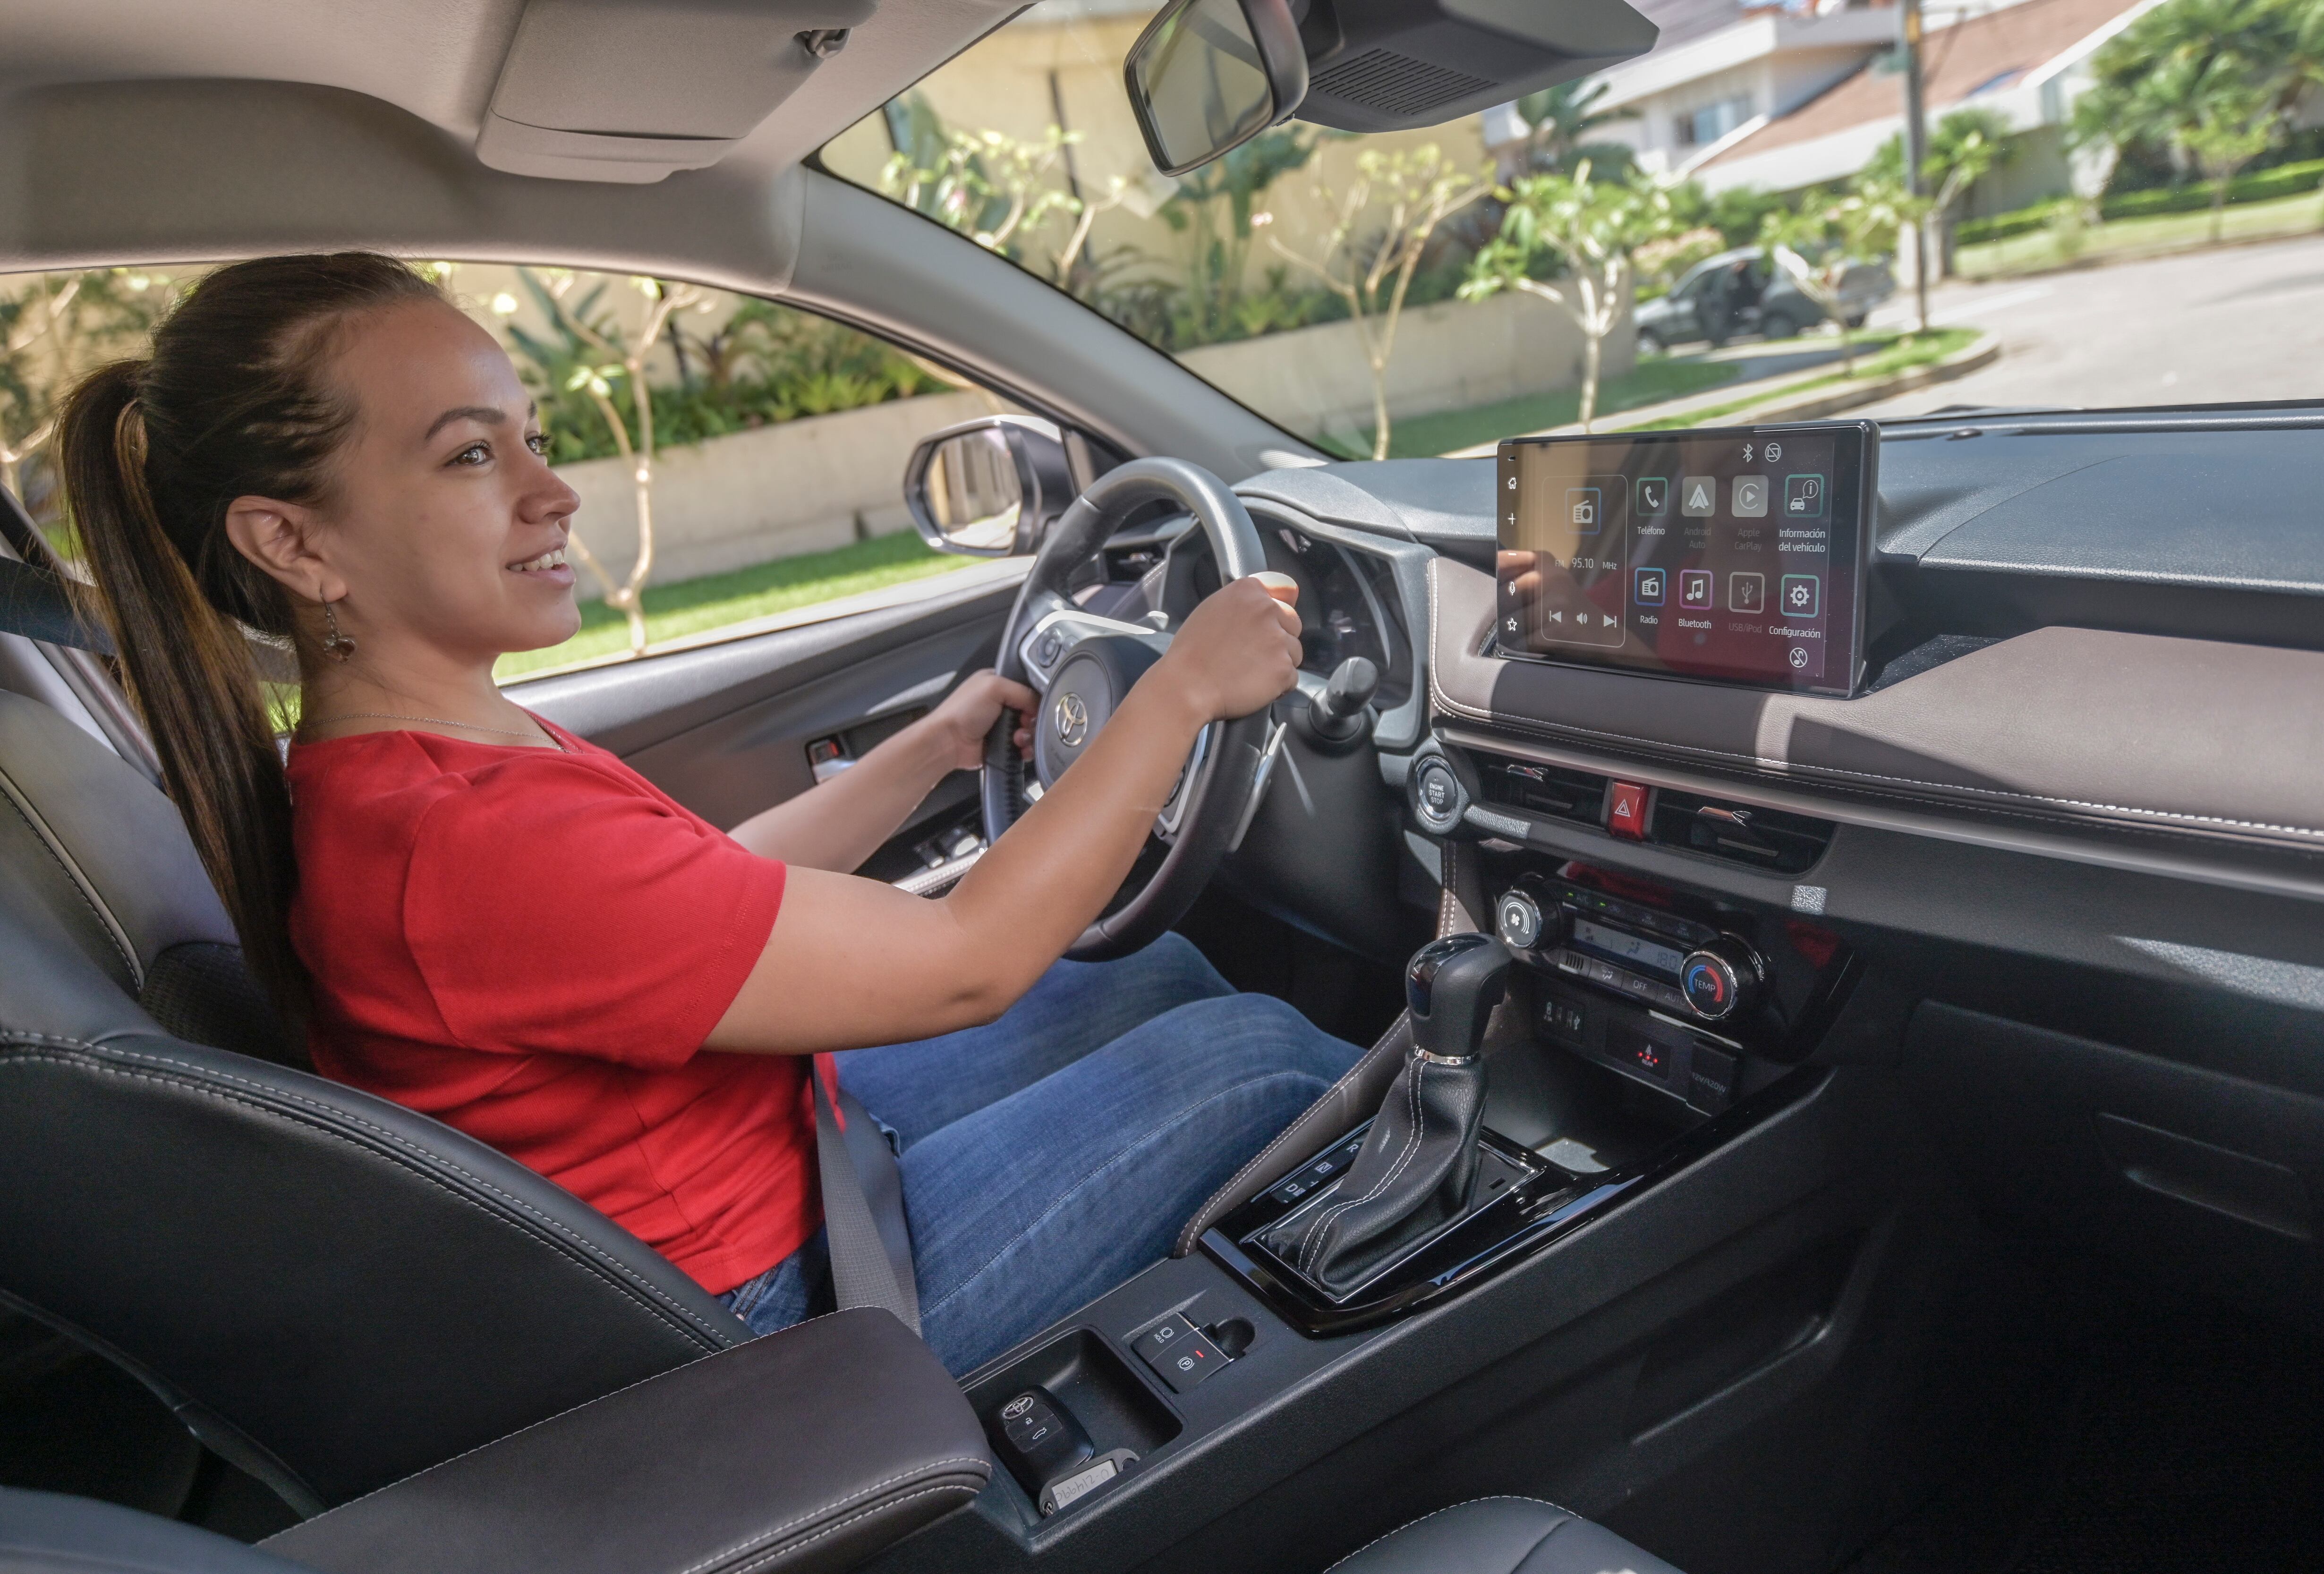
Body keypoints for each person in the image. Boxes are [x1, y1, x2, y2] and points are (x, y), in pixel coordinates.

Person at [56, 253, 1363, 1375]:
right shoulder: (462, 839)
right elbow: (968, 966)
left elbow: (703, 899)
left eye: (533, 437)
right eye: (469, 453)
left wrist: (922, 752)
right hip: (774, 1310)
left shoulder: (424, 758)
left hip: (782, 1167)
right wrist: (1180, 691)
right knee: (1263, 1057)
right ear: (296, 546)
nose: (550, 489)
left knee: (1163, 975)